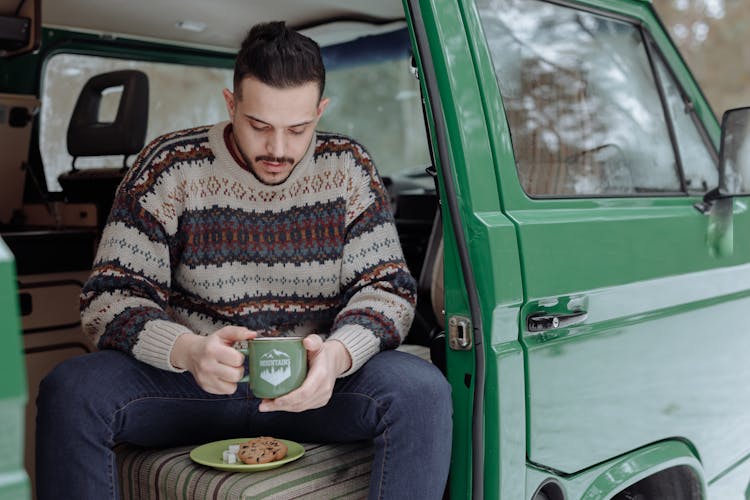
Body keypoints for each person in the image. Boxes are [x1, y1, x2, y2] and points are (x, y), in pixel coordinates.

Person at [35, 21, 452, 500]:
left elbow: (388, 291)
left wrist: (335, 359)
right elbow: (110, 297)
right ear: (231, 104)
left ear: (321, 110)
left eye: (298, 129)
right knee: (72, 389)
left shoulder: (349, 167)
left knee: (422, 391)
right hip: (192, 384)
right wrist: (187, 350)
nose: (278, 149)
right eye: (259, 126)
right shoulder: (170, 166)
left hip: (316, 388)